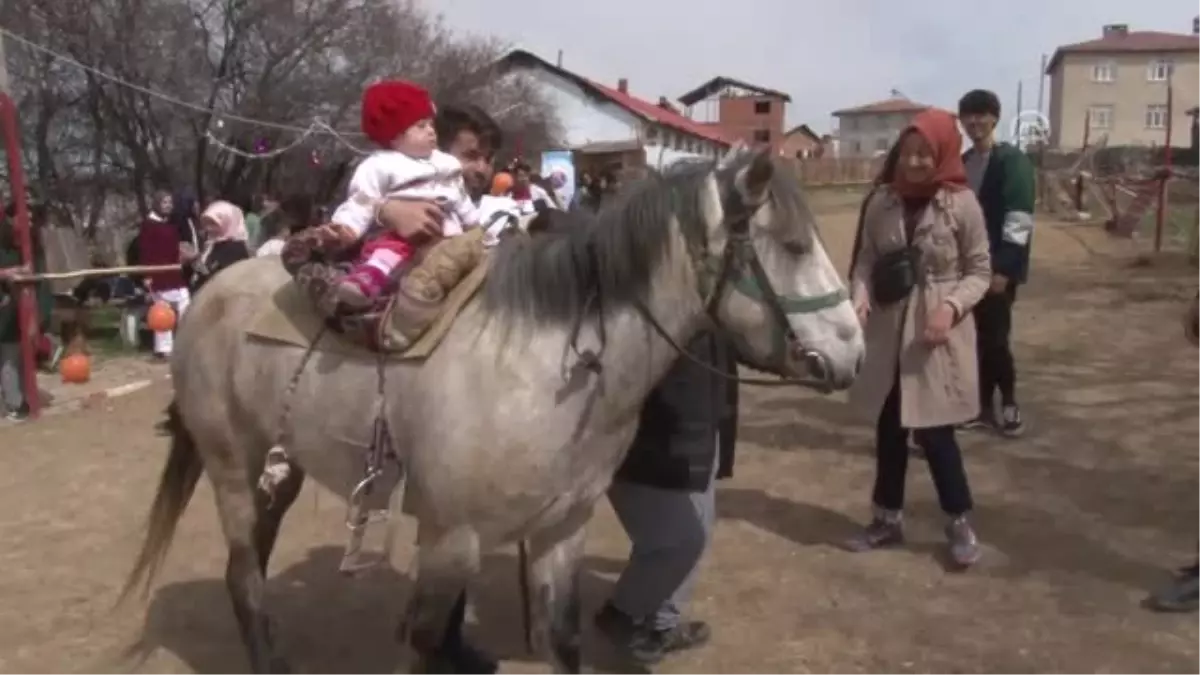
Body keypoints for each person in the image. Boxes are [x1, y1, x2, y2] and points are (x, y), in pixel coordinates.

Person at [375, 102, 502, 674]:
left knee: (457, 530)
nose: (481, 167)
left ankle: (443, 635)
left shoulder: (468, 202)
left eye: (486, 157)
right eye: (471, 154)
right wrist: (388, 209)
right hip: (411, 348)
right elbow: (353, 210)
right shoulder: (395, 177)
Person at [842, 108, 992, 568]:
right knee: (889, 429)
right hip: (888, 331)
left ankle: (959, 522)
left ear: (943, 152)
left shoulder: (961, 204)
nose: (914, 163)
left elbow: (980, 270)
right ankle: (886, 519)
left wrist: (950, 307)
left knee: (935, 433)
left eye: (925, 154)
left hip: (934, 335)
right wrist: (860, 294)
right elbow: (865, 259)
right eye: (907, 154)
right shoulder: (881, 202)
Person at [593, 332, 739, 665]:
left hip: (703, 423)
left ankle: (663, 624)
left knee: (696, 532)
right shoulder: (641, 292)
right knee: (680, 541)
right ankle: (622, 615)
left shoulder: (720, 293)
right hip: (655, 439)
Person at [330, 80, 480, 309]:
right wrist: (347, 227)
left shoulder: (446, 163)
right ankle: (368, 279)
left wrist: (476, 225)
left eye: (431, 124)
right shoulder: (379, 165)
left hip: (449, 231)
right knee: (390, 250)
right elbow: (361, 198)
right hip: (401, 234)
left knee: (466, 255)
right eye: (421, 126)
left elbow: (460, 197)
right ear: (394, 136)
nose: (431, 131)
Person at [958, 89, 1036, 437]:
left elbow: (1018, 218)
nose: (974, 122)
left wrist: (1004, 268)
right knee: (972, 339)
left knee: (996, 339)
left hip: (997, 268)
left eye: (981, 115)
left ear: (994, 118)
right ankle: (980, 408)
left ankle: (1009, 403)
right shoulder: (963, 162)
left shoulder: (1011, 161)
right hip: (965, 268)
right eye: (968, 116)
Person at [0, 203, 52, 421]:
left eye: (31, 219)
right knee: (10, 356)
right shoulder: (4, 242)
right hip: (6, 308)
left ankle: (21, 399)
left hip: (23, 307)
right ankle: (14, 404)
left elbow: (39, 278)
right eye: (25, 218)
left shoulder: (32, 245)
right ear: (11, 219)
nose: (29, 223)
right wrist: (9, 273)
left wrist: (39, 313)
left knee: (22, 356)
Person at [135, 191, 191, 360]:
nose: (169, 205)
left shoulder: (171, 224)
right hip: (158, 274)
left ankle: (185, 343)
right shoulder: (149, 224)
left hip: (174, 272)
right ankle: (164, 349)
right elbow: (145, 250)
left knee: (185, 304)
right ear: (157, 203)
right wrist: (147, 274)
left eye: (170, 202)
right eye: (165, 202)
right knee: (162, 312)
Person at [185, 201, 250, 292]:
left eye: (213, 224)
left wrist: (201, 268)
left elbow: (225, 279)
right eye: (206, 224)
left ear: (227, 222)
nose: (208, 228)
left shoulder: (235, 248)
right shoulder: (213, 244)